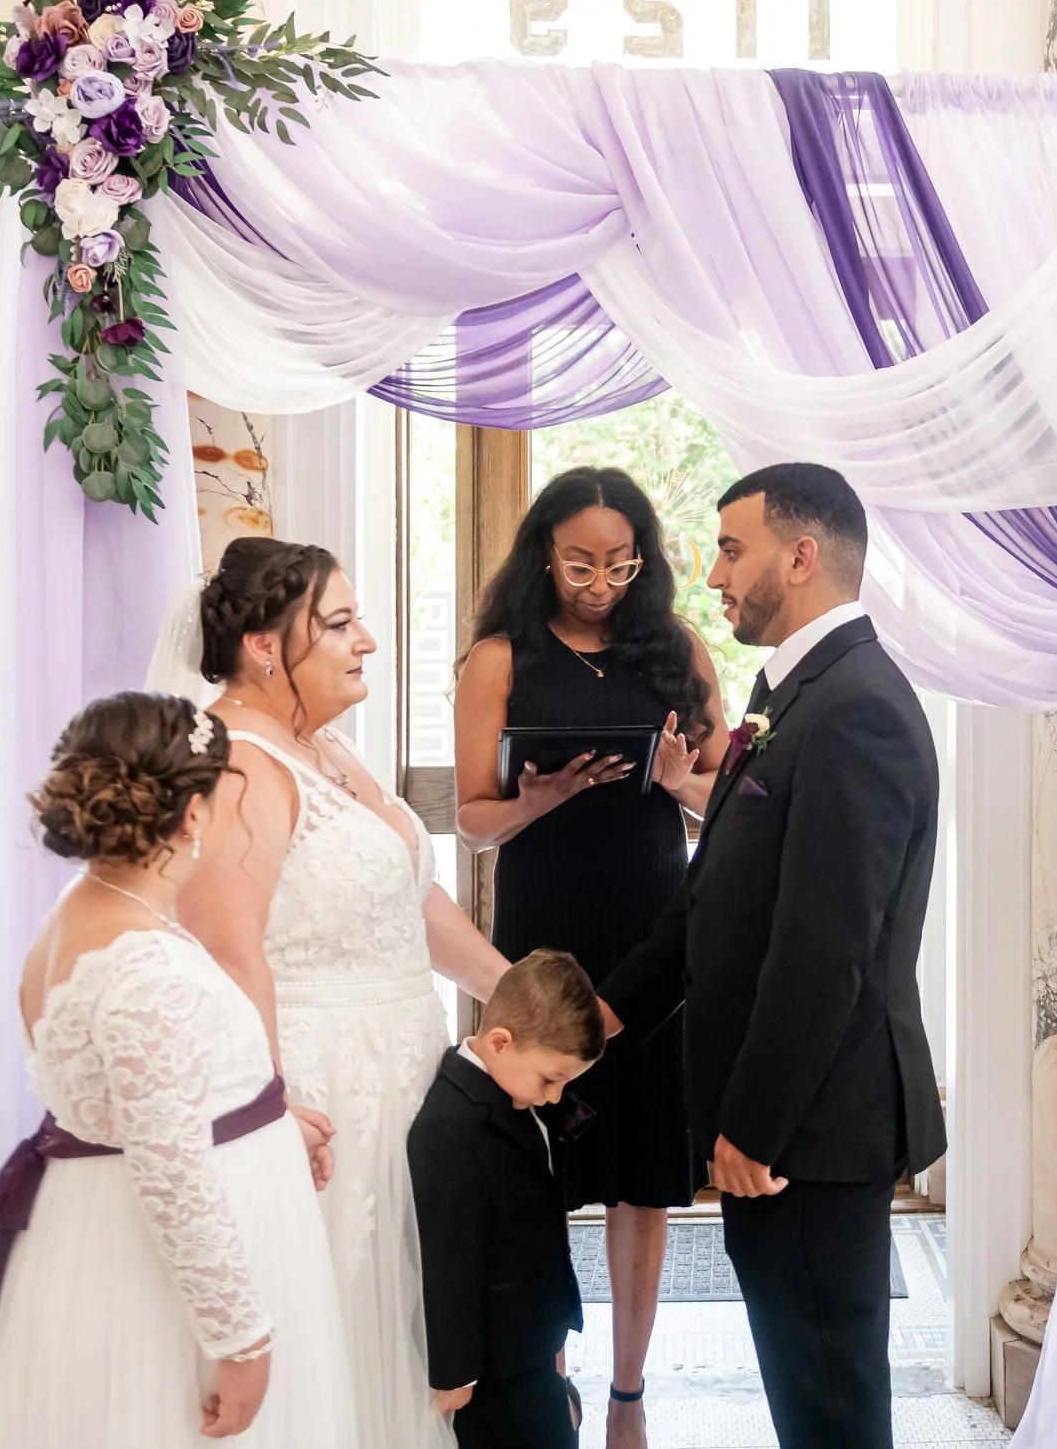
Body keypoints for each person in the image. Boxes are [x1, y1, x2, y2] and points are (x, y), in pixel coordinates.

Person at [599, 463, 948, 1449]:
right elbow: (718, 894)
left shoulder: (857, 711)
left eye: (730, 547)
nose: (711, 573)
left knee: (831, 1408)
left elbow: (823, 950)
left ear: (799, 556)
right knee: (806, 1394)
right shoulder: (796, 697)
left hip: (811, 1129)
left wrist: (751, 1128)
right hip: (785, 1127)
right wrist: (595, 1021)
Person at [174, 537, 512, 1449]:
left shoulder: (322, 746)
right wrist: (268, 1101)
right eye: (338, 622)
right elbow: (224, 947)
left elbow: (406, 894)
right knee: (338, 1321)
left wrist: (511, 990)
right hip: (325, 1096)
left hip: (405, 1074)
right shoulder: (238, 764)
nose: (365, 639)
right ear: (264, 646)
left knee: (407, 1326)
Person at [0, 692, 354, 1448]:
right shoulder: (142, 965)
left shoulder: (88, 908)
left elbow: (152, 1098)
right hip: (154, 1275)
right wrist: (240, 1341)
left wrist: (271, 1119)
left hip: (105, 1222)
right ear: (194, 817)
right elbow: (171, 1173)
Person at [453, 466, 729, 1448]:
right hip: (547, 930)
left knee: (644, 1171)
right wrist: (548, 791)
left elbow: (730, 808)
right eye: (579, 560)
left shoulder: (679, 648)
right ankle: (548, 1372)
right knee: (540, 1160)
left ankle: (627, 1390)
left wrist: (677, 779)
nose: (600, 579)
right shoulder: (499, 657)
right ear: (543, 553)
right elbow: (473, 822)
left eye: (620, 561)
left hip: (657, 931)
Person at [407, 949, 608, 1449]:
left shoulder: (516, 1091)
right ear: (500, 1042)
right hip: (493, 1361)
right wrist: (453, 1371)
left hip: (533, 1340)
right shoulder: (449, 1129)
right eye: (551, 1079)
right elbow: (447, 1257)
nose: (556, 1097)